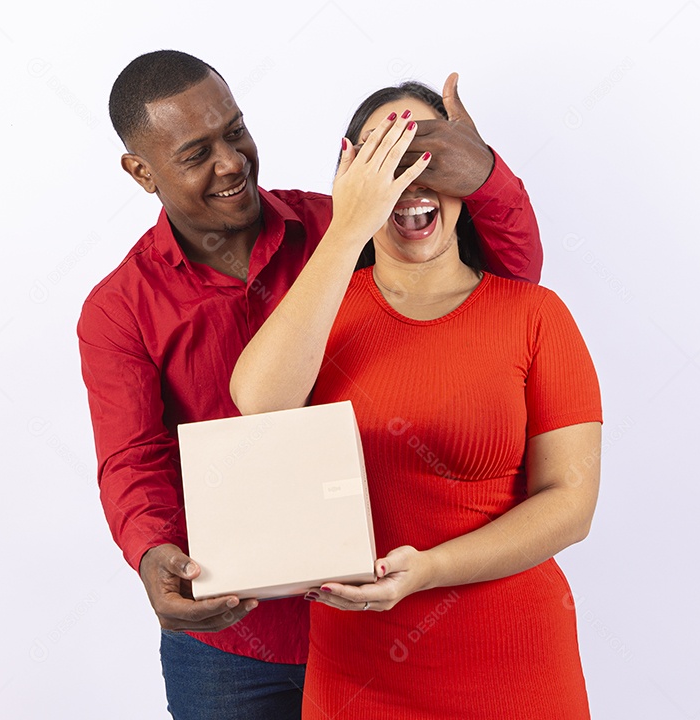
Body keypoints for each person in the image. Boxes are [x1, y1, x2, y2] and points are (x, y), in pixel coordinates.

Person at [78, 50, 544, 719]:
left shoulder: (344, 227)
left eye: (235, 131)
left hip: (379, 619)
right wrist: (153, 553)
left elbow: (501, 282)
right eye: (197, 152)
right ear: (141, 171)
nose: (233, 162)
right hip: (234, 646)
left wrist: (486, 175)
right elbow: (134, 459)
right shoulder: (118, 309)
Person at [230, 83, 602, 718]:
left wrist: (428, 569)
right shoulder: (323, 313)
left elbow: (570, 505)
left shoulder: (535, 316)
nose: (411, 182)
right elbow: (259, 406)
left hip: (513, 663)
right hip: (360, 671)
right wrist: (349, 228)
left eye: (429, 157)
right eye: (387, 163)